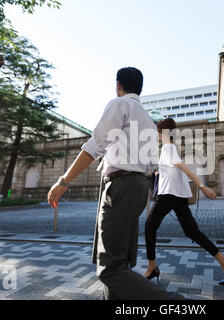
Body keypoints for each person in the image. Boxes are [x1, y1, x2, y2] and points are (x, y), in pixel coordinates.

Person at [47, 67, 183, 300]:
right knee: (118, 259)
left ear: (118, 84)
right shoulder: (149, 122)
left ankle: (176, 303)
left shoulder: (119, 105)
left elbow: (95, 145)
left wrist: (64, 180)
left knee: (109, 268)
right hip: (138, 187)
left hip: (120, 187)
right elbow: (151, 164)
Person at [144, 118, 224, 286]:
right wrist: (160, 173)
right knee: (192, 231)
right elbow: (174, 170)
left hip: (168, 195)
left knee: (149, 226)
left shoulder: (167, 147)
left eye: (157, 132)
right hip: (178, 195)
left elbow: (181, 166)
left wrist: (202, 186)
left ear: (163, 133)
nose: (156, 135)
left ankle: (151, 267)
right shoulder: (170, 148)